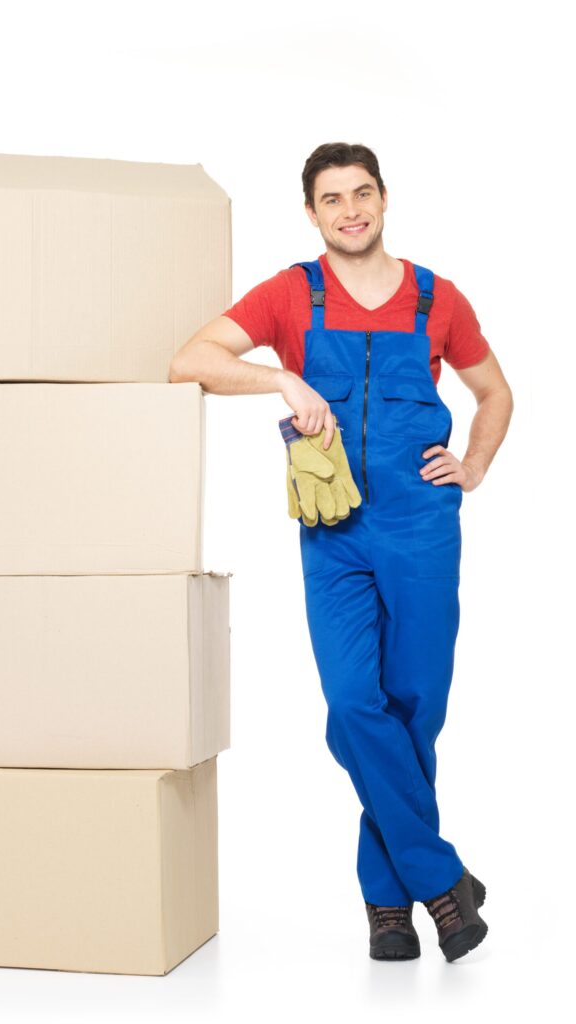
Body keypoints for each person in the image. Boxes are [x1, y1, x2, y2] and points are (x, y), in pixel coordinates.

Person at [169, 142, 513, 963]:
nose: (350, 210)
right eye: (332, 199)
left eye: (362, 194)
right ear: (312, 213)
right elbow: (193, 359)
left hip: (423, 525)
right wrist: (282, 382)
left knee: (414, 708)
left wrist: (471, 467)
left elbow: (495, 391)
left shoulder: (437, 297)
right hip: (333, 530)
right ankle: (442, 878)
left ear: (385, 201)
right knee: (356, 704)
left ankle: (386, 905)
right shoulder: (292, 294)